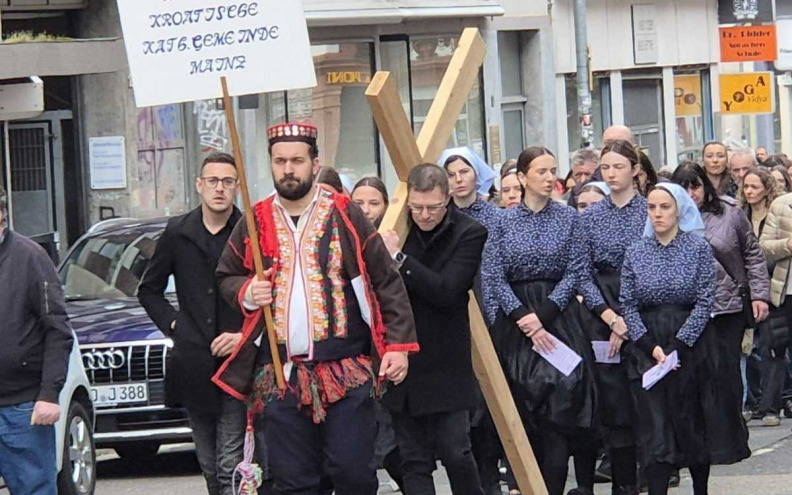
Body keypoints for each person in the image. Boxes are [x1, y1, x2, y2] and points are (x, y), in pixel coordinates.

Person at [214, 122, 419, 494]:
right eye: (279, 161)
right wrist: (247, 291)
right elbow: (226, 275)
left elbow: (385, 280)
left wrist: (398, 346)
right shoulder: (255, 220)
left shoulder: (345, 213)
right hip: (281, 373)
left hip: (346, 369)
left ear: (314, 162)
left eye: (296, 160)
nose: (288, 169)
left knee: (353, 472)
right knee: (293, 481)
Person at [482, 147, 596, 495]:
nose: (550, 178)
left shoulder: (569, 219)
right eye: (542, 171)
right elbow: (493, 274)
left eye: (553, 171)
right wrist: (520, 316)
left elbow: (577, 270)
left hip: (557, 316)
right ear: (522, 177)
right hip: (515, 320)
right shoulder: (501, 221)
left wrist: (543, 315)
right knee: (520, 402)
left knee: (563, 399)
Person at [138, 152, 246, 495]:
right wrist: (174, 326)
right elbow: (149, 290)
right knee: (210, 465)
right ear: (199, 185)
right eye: (212, 181)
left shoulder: (248, 232)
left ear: (236, 188)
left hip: (237, 363)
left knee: (231, 464)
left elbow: (269, 291)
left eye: (227, 182)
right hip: (194, 361)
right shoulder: (178, 232)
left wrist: (245, 333)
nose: (219, 189)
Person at [380, 163, 488, 495]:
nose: (425, 215)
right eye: (418, 207)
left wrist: (398, 259)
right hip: (407, 358)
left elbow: (446, 291)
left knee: (456, 451)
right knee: (413, 460)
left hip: (446, 362)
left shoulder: (469, 232)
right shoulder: (400, 227)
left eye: (433, 208)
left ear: (447, 200)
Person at [672, 162, 769, 491]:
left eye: (696, 186)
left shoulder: (729, 213)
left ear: (706, 187)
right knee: (691, 381)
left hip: (725, 309)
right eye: (684, 187)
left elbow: (752, 254)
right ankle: (694, 446)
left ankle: (726, 439)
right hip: (684, 311)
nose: (691, 194)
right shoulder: (666, 217)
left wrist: (760, 296)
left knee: (724, 377)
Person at [620, 182, 715, 495]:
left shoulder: (698, 248)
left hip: (689, 343)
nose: (657, 214)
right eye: (652, 207)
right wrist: (651, 347)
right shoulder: (635, 251)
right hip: (648, 344)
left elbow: (705, 300)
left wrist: (678, 346)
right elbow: (628, 304)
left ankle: (700, 488)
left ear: (679, 210)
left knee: (691, 419)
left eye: (665, 207)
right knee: (653, 423)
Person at [578, 140, 648, 495]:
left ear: (635, 169)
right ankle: (622, 484)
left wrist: (629, 319)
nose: (612, 173)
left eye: (619, 166)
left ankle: (651, 475)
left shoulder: (650, 212)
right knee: (612, 402)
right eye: (606, 167)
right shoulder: (589, 217)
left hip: (644, 310)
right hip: (600, 312)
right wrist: (609, 316)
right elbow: (581, 272)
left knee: (646, 399)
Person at [0, 184, 74, 495]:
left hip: (23, 406)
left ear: (2, 215)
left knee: (34, 490)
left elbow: (57, 330)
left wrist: (48, 393)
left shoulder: (30, 258)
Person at [739, 167, 787, 426]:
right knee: (747, 347)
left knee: (771, 345)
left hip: (774, 288)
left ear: (767, 188)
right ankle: (751, 401)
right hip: (744, 290)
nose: (749, 192)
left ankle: (770, 406)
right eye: (746, 186)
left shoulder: (777, 214)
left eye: (755, 186)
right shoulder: (739, 216)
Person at [440, 147, 500, 231]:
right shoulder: (439, 217)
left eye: (464, 172)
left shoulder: (497, 217)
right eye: (451, 175)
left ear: (476, 173)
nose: (459, 179)